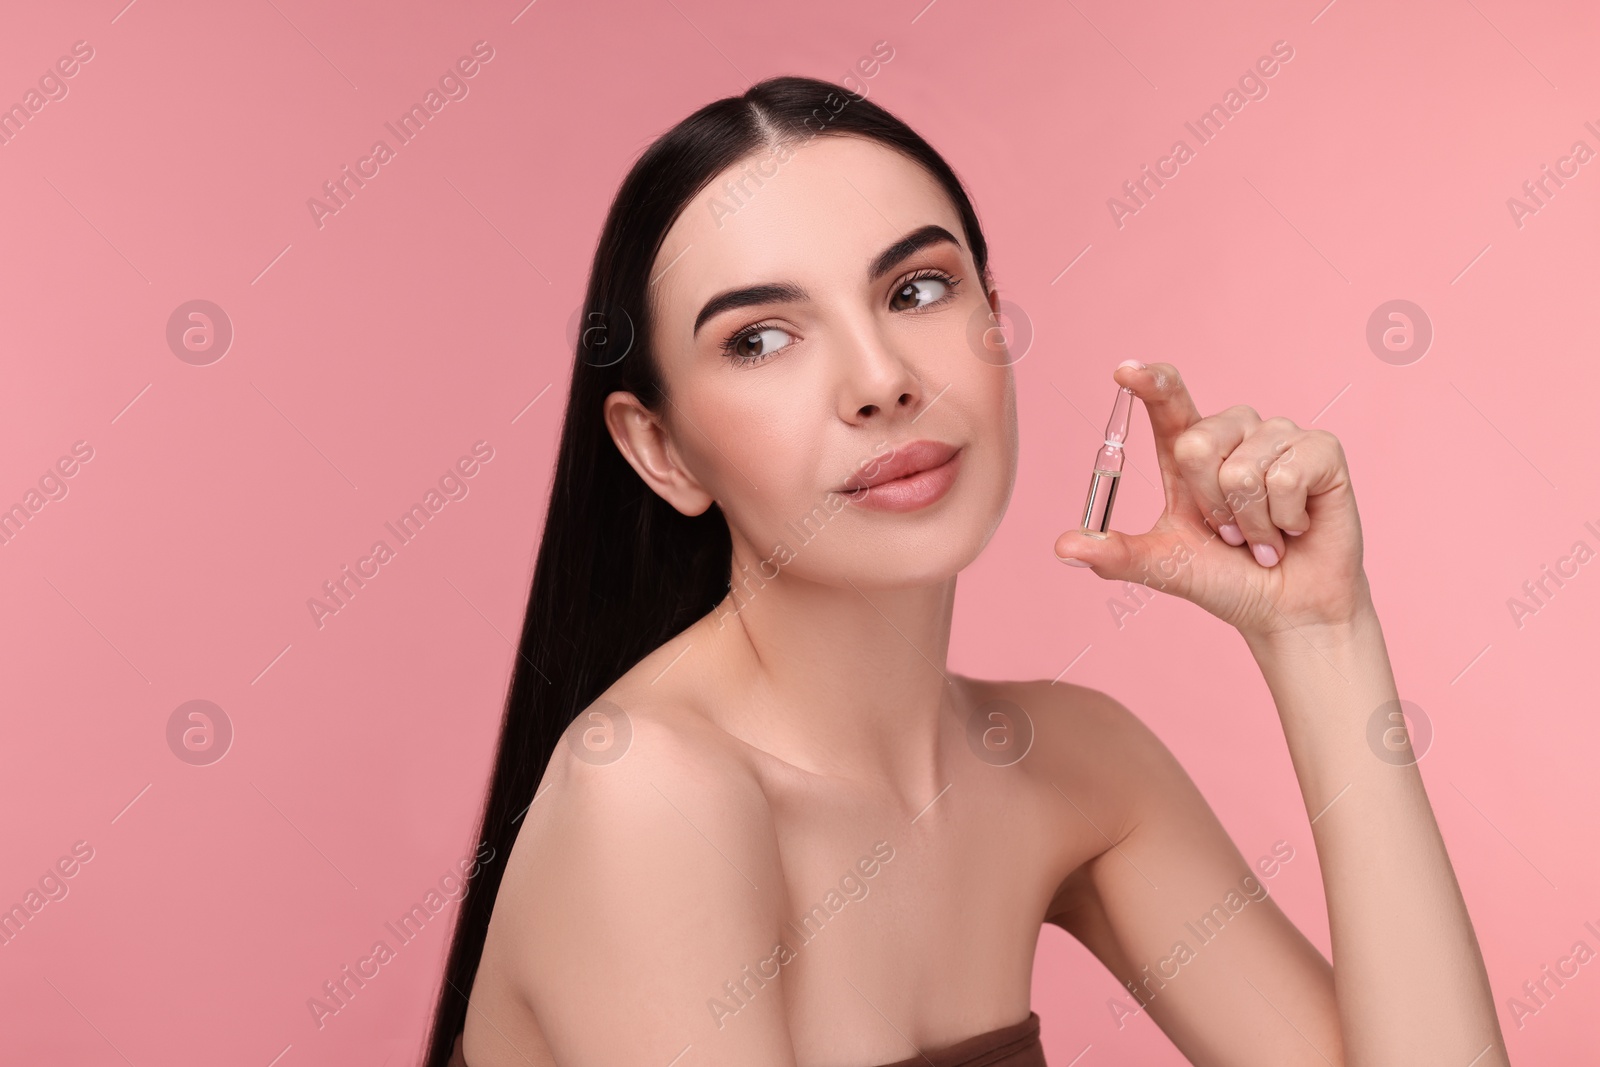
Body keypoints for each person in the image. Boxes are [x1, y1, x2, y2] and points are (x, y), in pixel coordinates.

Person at [422, 75, 1505, 1066]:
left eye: (916, 289)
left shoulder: (1070, 766)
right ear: (660, 448)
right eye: (759, 338)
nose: (881, 379)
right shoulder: (649, 795)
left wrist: (1320, 632)